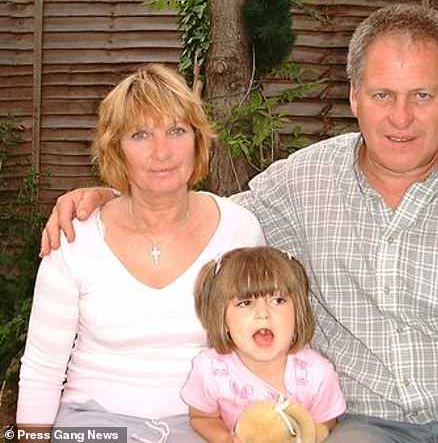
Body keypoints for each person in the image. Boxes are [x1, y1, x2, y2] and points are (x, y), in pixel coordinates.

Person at [40, 5, 438, 443]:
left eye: (422, 95)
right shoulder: (303, 182)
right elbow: (199, 220)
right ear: (354, 97)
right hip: (364, 425)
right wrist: (116, 196)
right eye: (382, 95)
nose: (400, 119)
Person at [17, 64, 265, 441]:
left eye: (177, 131)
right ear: (116, 149)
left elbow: (262, 346)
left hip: (207, 424)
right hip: (95, 423)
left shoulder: (238, 230)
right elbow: (42, 369)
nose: (162, 152)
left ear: (198, 140)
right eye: (140, 134)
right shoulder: (75, 236)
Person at [181, 246, 346, 442]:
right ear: (222, 319)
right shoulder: (211, 369)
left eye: (278, 300)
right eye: (245, 303)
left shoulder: (317, 373)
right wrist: (224, 438)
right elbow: (202, 418)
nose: (263, 313)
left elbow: (325, 425)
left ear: (298, 312)